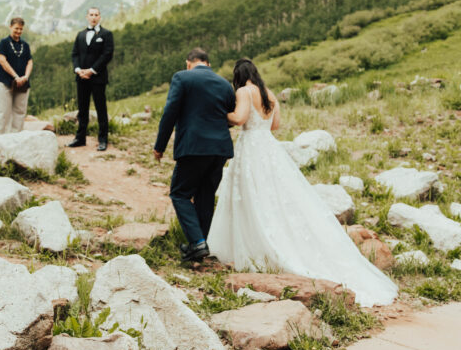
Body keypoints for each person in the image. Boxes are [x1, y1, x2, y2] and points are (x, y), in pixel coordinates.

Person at [207, 58, 398, 307]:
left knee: (250, 196)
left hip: (251, 147)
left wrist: (222, 113)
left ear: (238, 76)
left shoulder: (244, 91)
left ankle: (254, 248)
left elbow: (241, 118)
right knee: (272, 195)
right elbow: (275, 125)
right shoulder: (269, 93)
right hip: (269, 148)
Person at [153, 47, 236, 264]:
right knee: (205, 196)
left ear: (188, 63)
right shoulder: (224, 84)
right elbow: (229, 115)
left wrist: (159, 146)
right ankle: (198, 246)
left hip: (193, 146)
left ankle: (198, 242)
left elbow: (170, 112)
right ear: (208, 63)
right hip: (220, 149)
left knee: (179, 193)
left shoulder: (182, 77)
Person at [69, 6, 114, 151]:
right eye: (91, 14)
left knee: (101, 109)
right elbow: (75, 54)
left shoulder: (107, 34)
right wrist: (78, 70)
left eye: (96, 15)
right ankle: (80, 138)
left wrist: (92, 70)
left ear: (100, 17)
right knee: (82, 109)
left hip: (98, 78)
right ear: (87, 17)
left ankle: (103, 140)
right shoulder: (80, 34)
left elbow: (107, 55)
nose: (94, 17)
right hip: (81, 78)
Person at [0, 17, 33, 135]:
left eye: (21, 29)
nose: (18, 31)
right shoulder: (4, 43)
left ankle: (16, 140)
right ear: (10, 27)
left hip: (22, 84)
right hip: (5, 83)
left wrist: (25, 77)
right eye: (16, 28)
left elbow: (30, 62)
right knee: (3, 114)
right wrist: (16, 76)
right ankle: (0, 142)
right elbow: (2, 61)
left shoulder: (25, 45)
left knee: (20, 113)